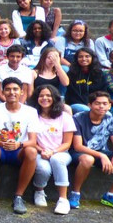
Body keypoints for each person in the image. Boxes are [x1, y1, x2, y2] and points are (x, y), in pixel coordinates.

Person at [69, 91, 113, 210]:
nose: (101, 106)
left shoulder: (110, 119)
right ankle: (75, 193)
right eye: (97, 103)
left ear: (109, 106)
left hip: (101, 152)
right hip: (80, 153)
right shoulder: (78, 118)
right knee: (87, 159)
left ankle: (111, 195)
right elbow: (78, 146)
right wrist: (102, 156)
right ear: (90, 105)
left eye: (105, 104)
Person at [0, 77, 39, 215]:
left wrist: (19, 144)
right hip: (1, 149)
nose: (11, 92)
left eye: (15, 89)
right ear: (2, 92)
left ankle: (19, 196)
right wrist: (3, 143)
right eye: (8, 89)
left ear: (21, 92)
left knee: (31, 151)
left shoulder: (30, 111)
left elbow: (33, 141)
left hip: (19, 150)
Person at [32, 85, 76, 214]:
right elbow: (31, 140)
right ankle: (39, 191)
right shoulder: (33, 115)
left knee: (57, 160)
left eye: (48, 95)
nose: (44, 98)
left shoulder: (64, 116)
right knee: (43, 168)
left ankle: (63, 199)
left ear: (54, 98)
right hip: (40, 151)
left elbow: (67, 143)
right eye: (41, 96)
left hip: (61, 152)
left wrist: (53, 151)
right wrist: (42, 150)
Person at [65, 47, 107, 113]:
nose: (84, 59)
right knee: (86, 110)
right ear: (76, 59)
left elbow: (103, 92)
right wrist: (87, 104)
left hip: (96, 104)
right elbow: (71, 94)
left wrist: (93, 104)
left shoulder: (99, 74)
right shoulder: (71, 74)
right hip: (77, 104)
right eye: (80, 57)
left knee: (108, 114)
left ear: (92, 58)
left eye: (87, 56)